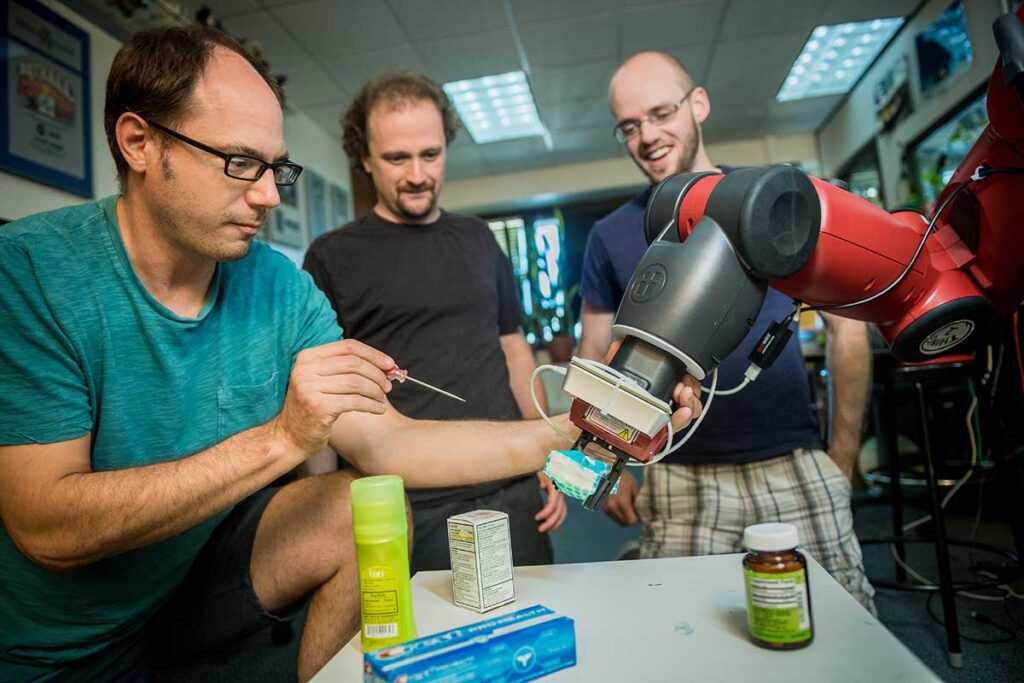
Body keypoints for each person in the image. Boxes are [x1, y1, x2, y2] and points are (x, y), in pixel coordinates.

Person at [0, 29, 703, 681]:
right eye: (240, 163)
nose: (269, 195)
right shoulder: (35, 271)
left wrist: (564, 433)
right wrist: (285, 437)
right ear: (138, 142)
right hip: (63, 639)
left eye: (277, 168)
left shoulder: (278, 285)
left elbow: (389, 441)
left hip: (201, 581)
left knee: (362, 503)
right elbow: (47, 526)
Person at [578, 51, 876, 613]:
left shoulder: (782, 204)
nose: (647, 136)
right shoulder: (611, 235)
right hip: (680, 477)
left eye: (661, 113)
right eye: (629, 126)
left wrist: (841, 460)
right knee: (680, 640)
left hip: (792, 459)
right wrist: (602, 464)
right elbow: (597, 354)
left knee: (843, 626)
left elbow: (847, 331)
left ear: (699, 105)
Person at [302, 73, 565, 572]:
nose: (418, 174)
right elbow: (325, 396)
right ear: (364, 158)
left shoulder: (479, 239)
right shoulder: (332, 257)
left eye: (431, 154)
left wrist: (545, 453)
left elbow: (513, 348)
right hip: (409, 505)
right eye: (397, 158)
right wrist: (318, 508)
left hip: (511, 488)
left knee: (534, 638)